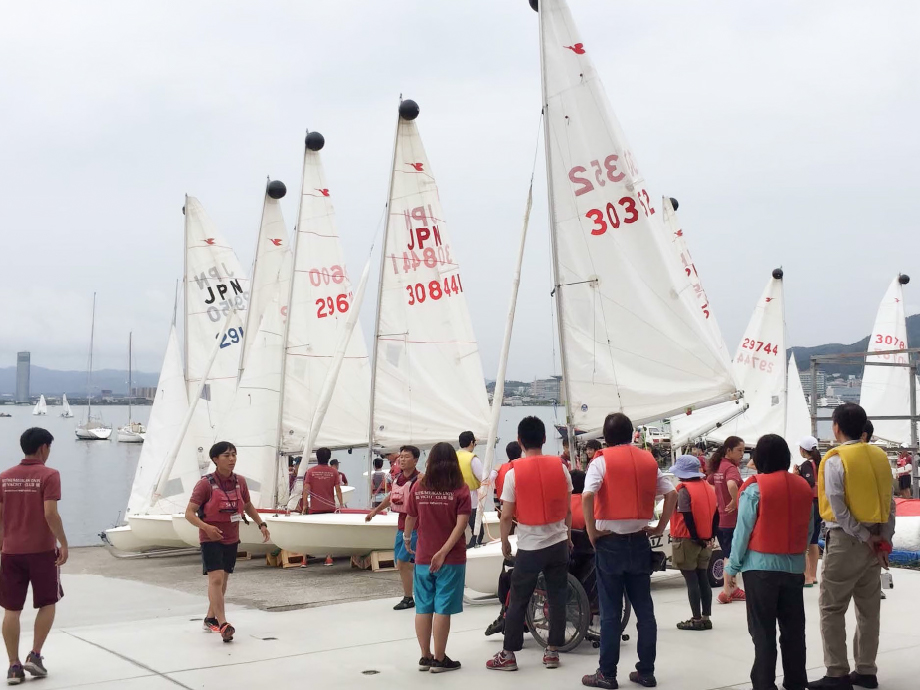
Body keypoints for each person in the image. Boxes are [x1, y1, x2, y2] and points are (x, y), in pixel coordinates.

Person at [581, 413, 676, 689]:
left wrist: (591, 531)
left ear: (606, 437)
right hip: (639, 541)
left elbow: (587, 495)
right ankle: (646, 672)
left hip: (610, 543)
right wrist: (659, 527)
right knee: (644, 610)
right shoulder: (648, 460)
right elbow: (671, 494)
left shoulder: (601, 461)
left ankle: (606, 674)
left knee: (610, 611)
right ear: (632, 434)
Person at [808, 403, 896, 690]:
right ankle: (866, 671)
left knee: (832, 607)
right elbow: (889, 503)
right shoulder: (881, 457)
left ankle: (836, 673)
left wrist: (861, 534)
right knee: (869, 609)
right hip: (876, 541)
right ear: (863, 429)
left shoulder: (835, 460)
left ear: (836, 427)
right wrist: (883, 539)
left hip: (847, 541)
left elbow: (838, 505)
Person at [726, 434, 813, 690]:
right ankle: (796, 682)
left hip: (759, 570)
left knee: (763, 632)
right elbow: (808, 530)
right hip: (794, 569)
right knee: (794, 630)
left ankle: (764, 684)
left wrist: (731, 568)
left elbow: (742, 532)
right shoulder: (802, 488)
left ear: (759, 459)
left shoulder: (754, 488)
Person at [487, 416, 572, 672]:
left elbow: (505, 515)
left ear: (519, 441)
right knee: (558, 598)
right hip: (558, 543)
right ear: (545, 439)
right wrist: (567, 536)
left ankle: (509, 654)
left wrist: (504, 543)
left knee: (518, 600)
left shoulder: (514, 474)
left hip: (530, 546)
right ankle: (552, 651)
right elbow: (567, 508)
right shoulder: (561, 468)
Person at [185, 441, 271, 643]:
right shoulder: (205, 484)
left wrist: (261, 524)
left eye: (234, 455)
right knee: (215, 579)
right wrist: (206, 527)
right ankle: (223, 623)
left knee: (222, 581)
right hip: (210, 538)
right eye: (226, 455)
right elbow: (189, 513)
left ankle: (210, 618)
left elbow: (248, 505)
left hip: (231, 538)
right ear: (215, 460)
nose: (232, 459)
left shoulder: (240, 482)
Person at [0, 428, 66, 684]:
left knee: (11, 609)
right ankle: (35, 655)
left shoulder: (4, 478)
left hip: (11, 552)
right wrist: (63, 542)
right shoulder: (49, 475)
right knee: (48, 602)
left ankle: (13, 667)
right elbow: (50, 513)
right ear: (43, 448)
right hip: (41, 551)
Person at [405, 442, 471, 673]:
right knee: (443, 607)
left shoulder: (419, 486)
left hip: (423, 556)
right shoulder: (460, 488)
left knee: (423, 606)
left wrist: (406, 539)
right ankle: (440, 659)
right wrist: (443, 552)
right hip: (451, 558)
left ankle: (425, 656)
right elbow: (461, 525)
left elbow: (411, 516)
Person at [366, 445, 421, 610]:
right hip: (402, 526)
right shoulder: (398, 478)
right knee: (402, 562)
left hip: (417, 528)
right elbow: (392, 497)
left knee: (407, 562)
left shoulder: (421, 480)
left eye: (406, 457)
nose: (402, 460)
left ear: (416, 460)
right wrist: (375, 511)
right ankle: (412, 596)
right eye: (401, 457)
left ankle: (411, 597)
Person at [668, 455, 718, 632]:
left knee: (691, 580)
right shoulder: (709, 488)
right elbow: (716, 514)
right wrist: (709, 536)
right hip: (706, 539)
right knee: (702, 577)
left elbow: (687, 516)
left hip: (687, 540)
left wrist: (696, 537)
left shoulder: (684, 490)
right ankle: (706, 617)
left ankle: (695, 619)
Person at [708, 436, 746, 604]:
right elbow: (732, 485)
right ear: (729, 451)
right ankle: (726, 590)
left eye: (744, 450)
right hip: (731, 520)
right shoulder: (730, 468)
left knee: (727, 553)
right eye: (739, 450)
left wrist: (719, 500)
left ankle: (732, 588)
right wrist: (734, 500)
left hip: (720, 519)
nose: (742, 454)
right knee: (731, 555)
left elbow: (709, 483)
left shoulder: (718, 467)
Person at [793, 436, 822, 586]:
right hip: (821, 504)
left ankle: (806, 576)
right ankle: (813, 574)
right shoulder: (821, 463)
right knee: (814, 540)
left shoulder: (806, 465)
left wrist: (797, 476)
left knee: (805, 539)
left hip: (810, 505)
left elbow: (809, 483)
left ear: (803, 450)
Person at [456, 431, 484, 548]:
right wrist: (494, 473)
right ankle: (473, 547)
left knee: (457, 527)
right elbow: (484, 478)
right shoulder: (472, 459)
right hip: (470, 499)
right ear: (472, 442)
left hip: (454, 498)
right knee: (477, 530)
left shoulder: (453, 456)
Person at [303, 448, 343, 514]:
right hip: (330, 508)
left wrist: (305, 505)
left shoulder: (310, 472)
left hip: (315, 509)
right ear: (329, 457)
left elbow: (306, 489)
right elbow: (338, 490)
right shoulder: (334, 472)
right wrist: (341, 505)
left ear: (317, 457)